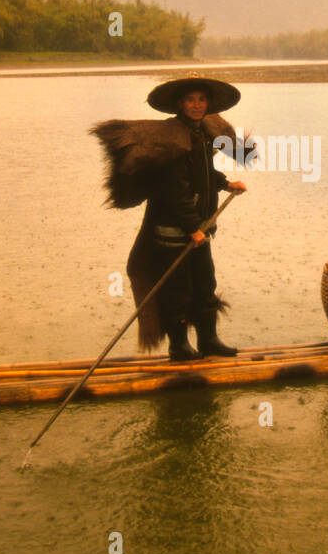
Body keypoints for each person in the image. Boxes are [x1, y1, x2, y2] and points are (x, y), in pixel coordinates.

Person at [90, 74, 247, 361]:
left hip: (199, 228)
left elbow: (202, 172)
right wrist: (191, 228)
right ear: (180, 103)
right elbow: (175, 189)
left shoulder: (200, 134)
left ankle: (209, 340)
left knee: (205, 284)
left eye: (202, 99)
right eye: (191, 100)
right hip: (175, 230)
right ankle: (179, 346)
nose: (197, 105)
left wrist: (225, 184)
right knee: (178, 289)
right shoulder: (169, 138)